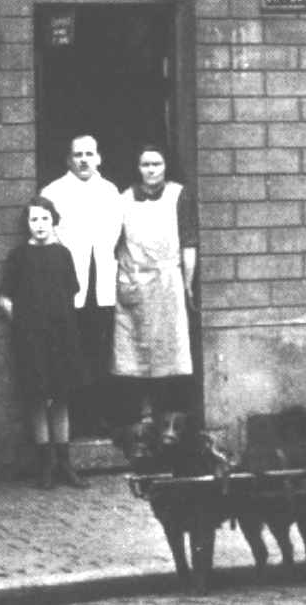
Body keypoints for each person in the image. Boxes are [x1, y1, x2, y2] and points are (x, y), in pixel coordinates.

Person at [0, 196, 89, 489]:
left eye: (44, 219)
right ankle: (45, 465)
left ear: (53, 221)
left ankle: (65, 463)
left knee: (60, 398)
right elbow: (5, 298)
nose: (39, 225)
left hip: (61, 336)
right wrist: (25, 326)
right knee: (38, 398)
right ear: (27, 224)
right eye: (34, 220)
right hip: (31, 338)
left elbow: (72, 291)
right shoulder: (18, 257)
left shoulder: (63, 255)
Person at [41, 134, 122, 436]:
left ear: (99, 158)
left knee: (98, 352)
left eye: (90, 154)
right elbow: (52, 237)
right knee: (68, 353)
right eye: (78, 155)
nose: (84, 159)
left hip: (100, 288)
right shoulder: (54, 191)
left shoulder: (110, 192)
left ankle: (97, 418)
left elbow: (114, 234)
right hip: (68, 288)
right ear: (68, 160)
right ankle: (71, 420)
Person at [112, 143, 198, 426]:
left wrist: (187, 283)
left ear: (166, 166)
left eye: (156, 164)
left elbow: (188, 243)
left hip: (167, 283)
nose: (151, 170)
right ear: (137, 168)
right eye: (145, 165)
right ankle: (140, 421)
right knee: (134, 354)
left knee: (168, 353)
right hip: (134, 282)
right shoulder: (124, 199)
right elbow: (111, 243)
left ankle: (168, 421)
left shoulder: (179, 195)